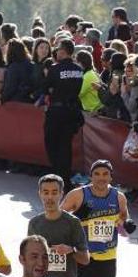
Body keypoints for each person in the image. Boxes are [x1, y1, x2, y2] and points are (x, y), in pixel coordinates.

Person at [61, 159, 134, 277]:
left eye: (105, 174)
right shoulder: (78, 195)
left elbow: (123, 226)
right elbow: (59, 218)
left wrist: (127, 225)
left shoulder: (119, 197)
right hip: (83, 258)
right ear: (90, 176)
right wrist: (76, 216)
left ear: (111, 176)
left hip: (107, 258)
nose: (101, 178)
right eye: (97, 174)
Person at [27, 174, 89, 277]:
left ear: (61, 194)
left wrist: (71, 250)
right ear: (40, 194)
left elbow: (85, 259)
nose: (50, 197)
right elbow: (28, 258)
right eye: (46, 192)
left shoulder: (73, 222)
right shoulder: (34, 223)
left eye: (54, 192)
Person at [42, 37, 84, 191]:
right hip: (72, 112)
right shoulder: (79, 70)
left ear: (64, 51)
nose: (56, 51)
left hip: (56, 112)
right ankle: (65, 179)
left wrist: (53, 90)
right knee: (65, 146)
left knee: (51, 142)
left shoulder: (55, 69)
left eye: (58, 49)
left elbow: (45, 88)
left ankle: (58, 176)